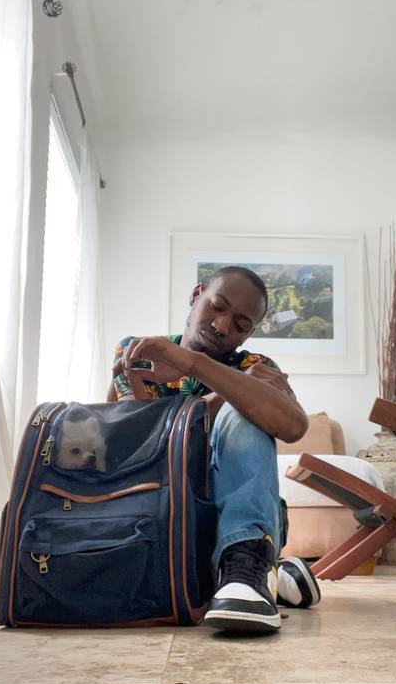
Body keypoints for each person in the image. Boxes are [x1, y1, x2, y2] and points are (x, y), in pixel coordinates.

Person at [107, 266, 321, 633]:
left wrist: (203, 372)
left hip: (242, 519)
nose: (222, 327)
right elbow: (143, 448)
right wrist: (218, 388)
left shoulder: (253, 367)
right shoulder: (140, 352)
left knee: (245, 410)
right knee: (239, 401)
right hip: (164, 518)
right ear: (196, 295)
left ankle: (246, 568)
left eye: (240, 325)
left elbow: (294, 427)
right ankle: (272, 576)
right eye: (216, 307)